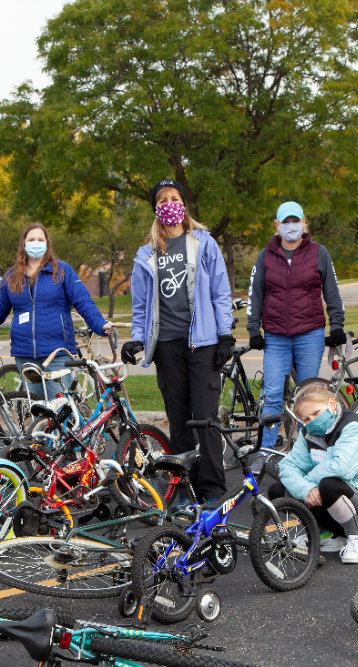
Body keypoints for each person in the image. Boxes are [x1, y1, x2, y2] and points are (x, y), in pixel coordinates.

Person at [120, 180, 233, 506]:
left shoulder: (204, 243)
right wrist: (136, 340)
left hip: (203, 342)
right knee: (180, 419)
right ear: (156, 208)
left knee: (205, 417)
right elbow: (141, 306)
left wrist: (224, 335)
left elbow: (220, 294)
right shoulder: (147, 253)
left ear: (183, 203)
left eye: (175, 198)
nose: (169, 204)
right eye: (162, 200)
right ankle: (186, 490)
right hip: (167, 345)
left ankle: (212, 490)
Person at [0, 223, 114, 397]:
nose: (36, 243)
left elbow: (83, 301)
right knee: (38, 409)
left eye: (40, 239)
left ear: (47, 243)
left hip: (57, 353)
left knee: (60, 410)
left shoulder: (62, 272)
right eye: (31, 239)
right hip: (25, 355)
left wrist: (100, 324)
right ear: (24, 244)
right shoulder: (11, 277)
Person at [247, 200, 346, 456]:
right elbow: (255, 294)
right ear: (277, 225)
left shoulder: (318, 253)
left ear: (304, 223)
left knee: (307, 397)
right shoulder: (265, 256)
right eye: (286, 221)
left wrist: (337, 326)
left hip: (309, 335)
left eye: (295, 221)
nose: (291, 226)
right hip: (276, 337)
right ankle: (265, 453)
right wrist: (253, 330)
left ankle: (307, 450)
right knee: (271, 395)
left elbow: (332, 293)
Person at [273, 382, 358, 564]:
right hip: (333, 509)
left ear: (332, 405)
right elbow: (288, 467)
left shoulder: (352, 426)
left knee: (329, 485)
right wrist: (306, 489)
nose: (311, 421)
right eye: (306, 419)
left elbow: (341, 467)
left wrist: (310, 484)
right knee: (279, 491)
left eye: (316, 413)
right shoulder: (308, 435)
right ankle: (325, 536)